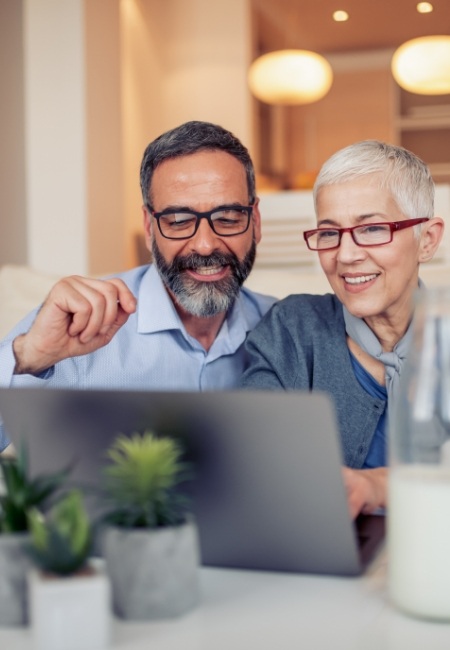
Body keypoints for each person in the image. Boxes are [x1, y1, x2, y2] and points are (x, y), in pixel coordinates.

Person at [0, 120, 276, 452]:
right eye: (178, 221)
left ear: (255, 222)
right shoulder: (72, 326)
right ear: (149, 227)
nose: (205, 245)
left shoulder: (285, 329)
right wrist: (28, 356)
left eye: (228, 218)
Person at [241, 140, 445, 519]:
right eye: (329, 233)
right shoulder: (292, 330)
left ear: (427, 240)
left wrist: (378, 487)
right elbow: (253, 460)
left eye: (371, 229)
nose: (346, 255)